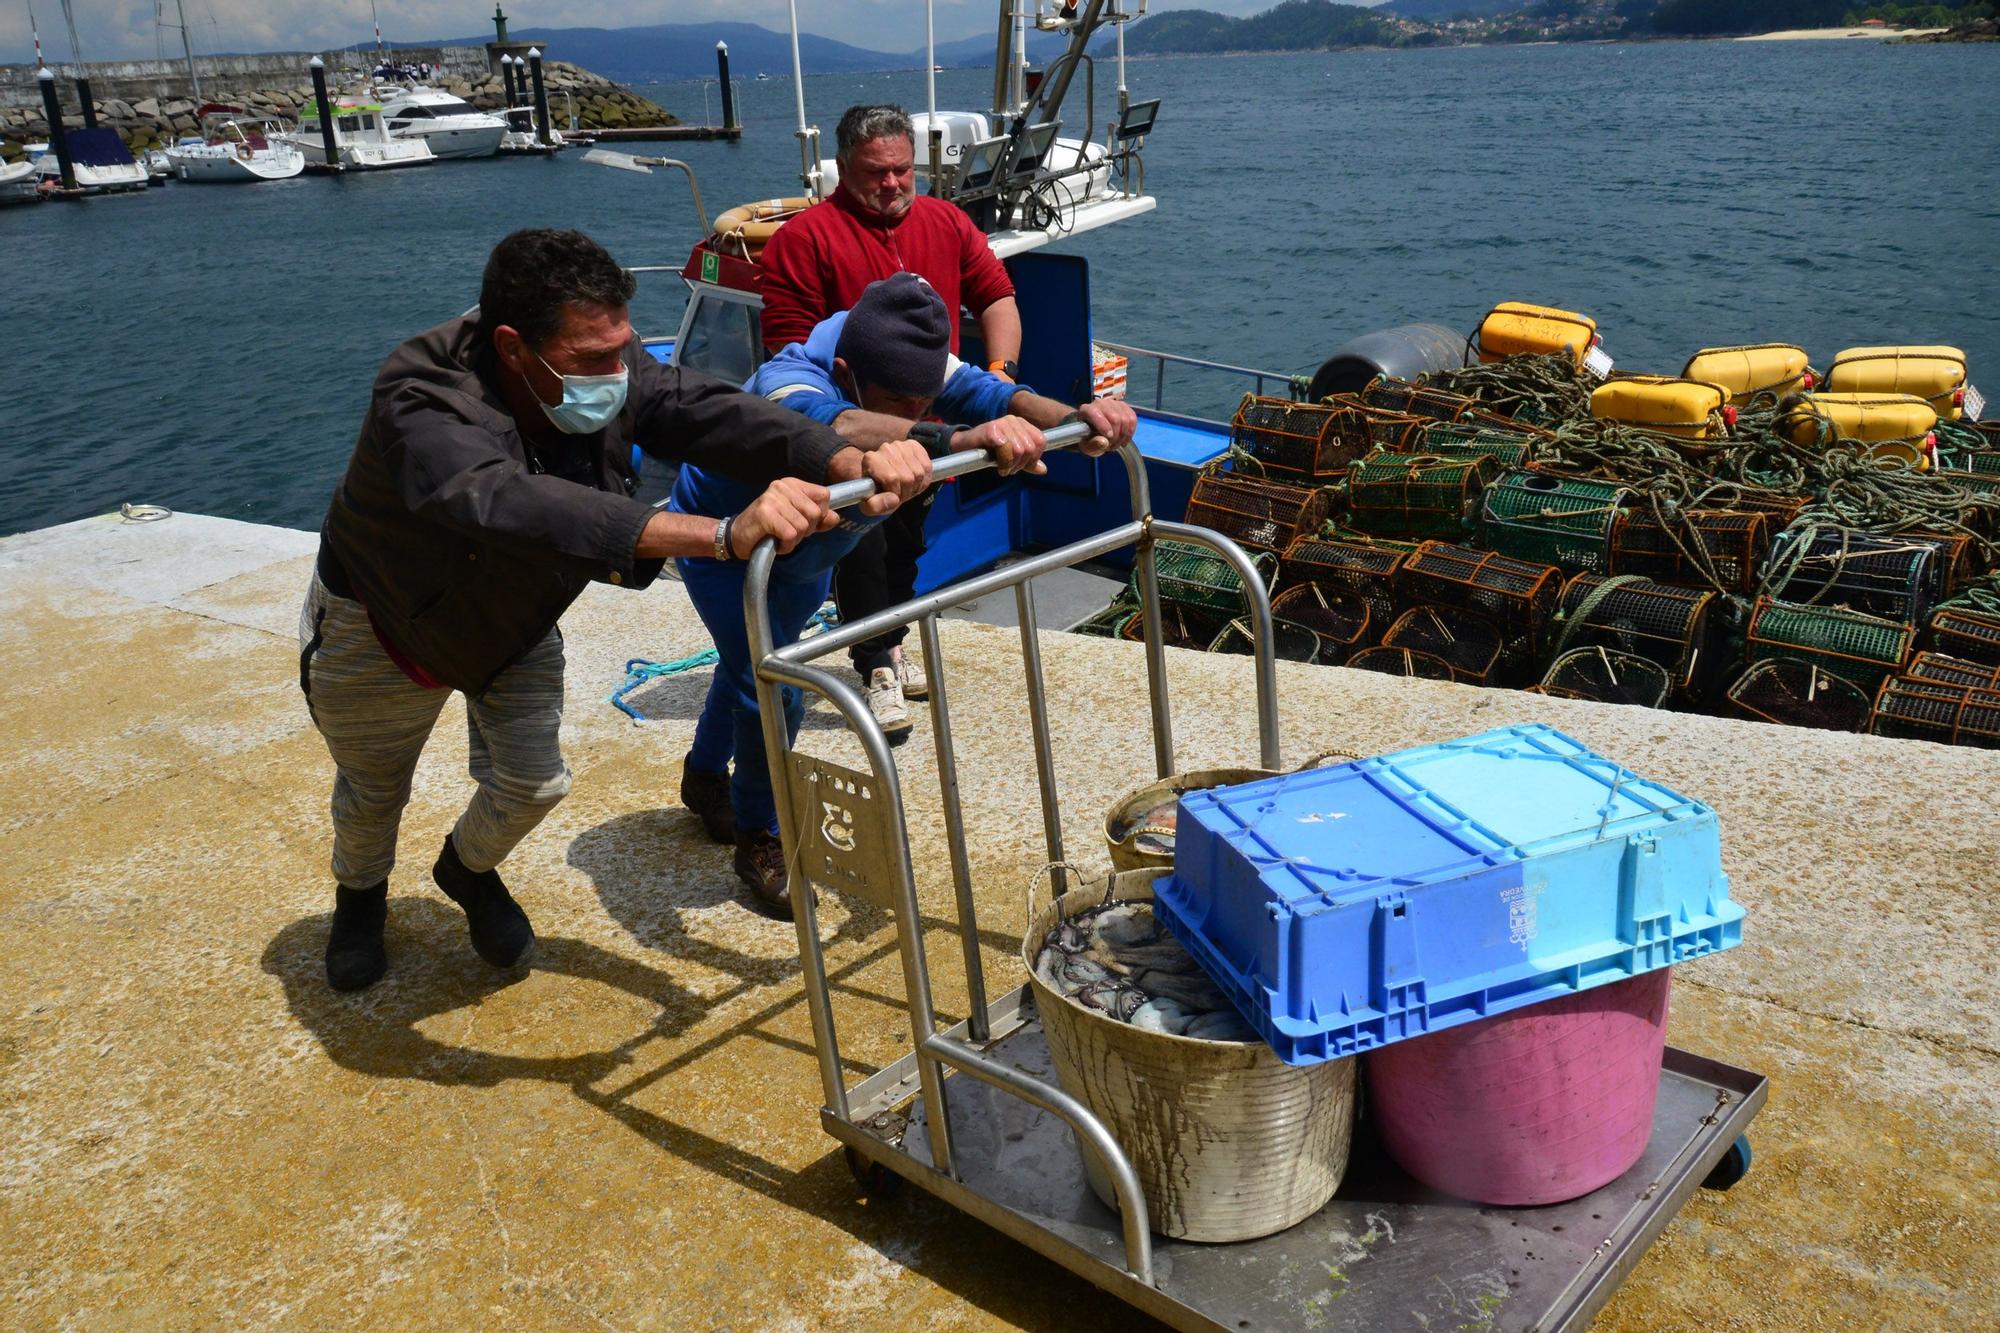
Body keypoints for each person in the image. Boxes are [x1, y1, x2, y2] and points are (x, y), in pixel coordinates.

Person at [299, 228, 929, 993]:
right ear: (511, 347)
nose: (616, 373)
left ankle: (465, 868)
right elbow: (515, 504)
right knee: (374, 791)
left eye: (622, 350)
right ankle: (359, 899)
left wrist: (842, 458)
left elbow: (708, 411)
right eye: (591, 360)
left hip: (516, 618)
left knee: (533, 784)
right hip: (386, 623)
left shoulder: (609, 364)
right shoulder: (418, 397)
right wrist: (722, 535)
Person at [671, 274, 1136, 916]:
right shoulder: (792, 376)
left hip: (813, 542)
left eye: (923, 404)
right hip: (731, 544)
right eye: (901, 403)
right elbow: (835, 420)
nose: (913, 417)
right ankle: (758, 832)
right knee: (774, 685)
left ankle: (702, 777)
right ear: (845, 369)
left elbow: (986, 389)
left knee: (748, 664)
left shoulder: (896, 348)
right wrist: (955, 440)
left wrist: (1075, 419)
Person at [757, 103, 1028, 735]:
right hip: (852, 439)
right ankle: (875, 661)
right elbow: (791, 352)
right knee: (861, 548)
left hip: (936, 432)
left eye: (903, 171)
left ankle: (892, 640)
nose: (892, 185)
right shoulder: (803, 240)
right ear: (843, 169)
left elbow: (997, 294)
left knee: (905, 546)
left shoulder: (947, 221)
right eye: (876, 173)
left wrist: (1000, 375)